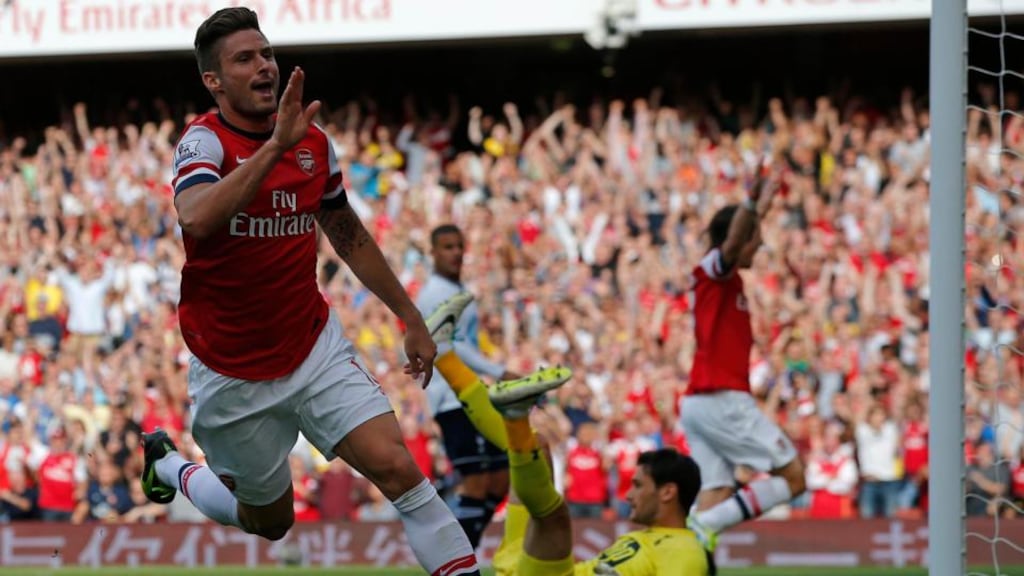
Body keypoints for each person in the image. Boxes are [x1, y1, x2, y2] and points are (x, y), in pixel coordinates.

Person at [141, 8, 481, 576]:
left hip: (312, 345)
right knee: (270, 522)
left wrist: (409, 316)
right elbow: (196, 218)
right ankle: (171, 466)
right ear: (214, 81)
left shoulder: (314, 144)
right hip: (232, 369)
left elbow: (346, 232)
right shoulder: (203, 141)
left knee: (398, 470)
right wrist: (274, 147)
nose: (263, 66)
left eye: (266, 53)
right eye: (244, 59)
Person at [428, 293, 710, 575]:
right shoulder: (648, 539)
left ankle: (515, 417)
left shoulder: (686, 554)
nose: (629, 495)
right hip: (529, 564)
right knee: (535, 447)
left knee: (554, 514)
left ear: (668, 492)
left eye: (638, 485)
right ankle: (443, 355)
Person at [680, 161, 806, 548]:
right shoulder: (715, 271)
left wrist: (762, 203)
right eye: (758, 238)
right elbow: (734, 243)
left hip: (701, 405)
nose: (762, 245)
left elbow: (742, 236)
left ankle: (674, 554)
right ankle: (698, 532)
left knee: (715, 494)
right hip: (722, 400)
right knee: (793, 477)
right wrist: (750, 202)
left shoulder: (723, 279)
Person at [415, 223, 521, 548]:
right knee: (476, 480)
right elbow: (447, 345)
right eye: (447, 247)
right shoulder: (434, 293)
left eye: (459, 246)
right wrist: (498, 370)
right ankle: (454, 556)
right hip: (451, 396)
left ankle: (460, 550)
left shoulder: (458, 290)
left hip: (473, 392)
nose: (456, 252)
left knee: (500, 480)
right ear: (432, 252)